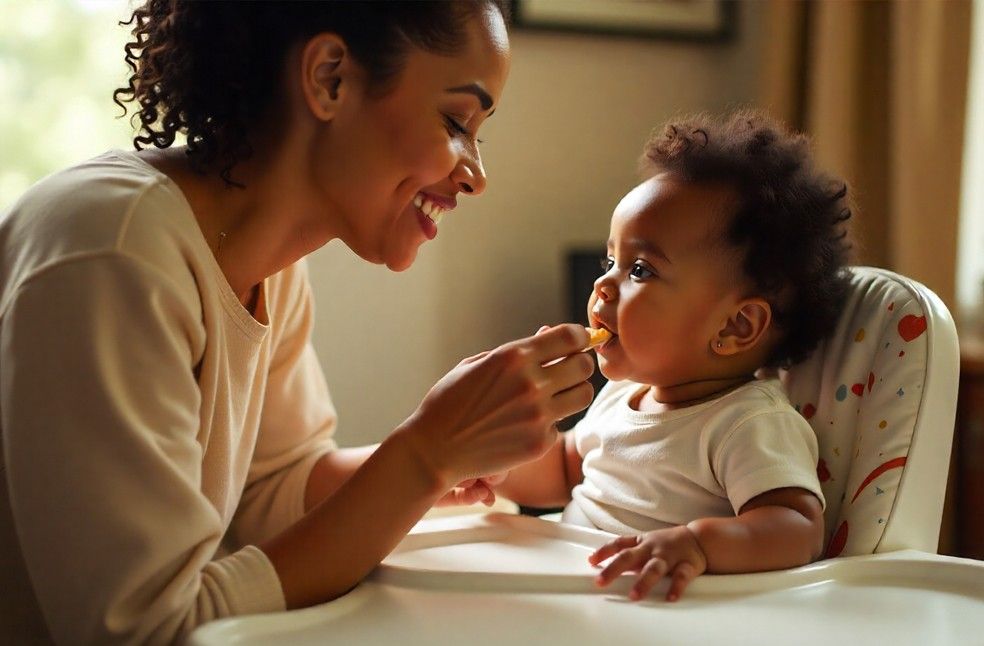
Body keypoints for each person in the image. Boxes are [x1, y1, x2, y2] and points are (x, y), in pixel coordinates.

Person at [0, 2, 598, 643]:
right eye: (456, 121)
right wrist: (424, 455)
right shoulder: (111, 251)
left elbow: (272, 492)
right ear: (329, 78)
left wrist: (449, 458)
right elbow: (149, 630)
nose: (476, 175)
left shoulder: (272, 268)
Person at [495, 111, 854, 602]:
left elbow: (796, 526)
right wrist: (493, 466)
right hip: (575, 596)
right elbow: (560, 471)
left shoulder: (745, 423)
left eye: (639, 269)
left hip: (657, 617)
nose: (602, 284)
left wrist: (698, 544)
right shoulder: (621, 397)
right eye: (611, 261)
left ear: (736, 325)